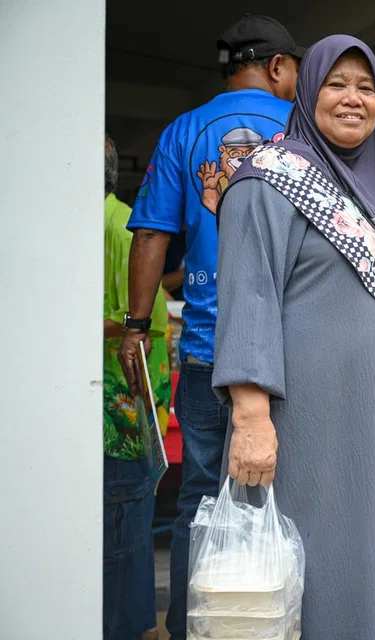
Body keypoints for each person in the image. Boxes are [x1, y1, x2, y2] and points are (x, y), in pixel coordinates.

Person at [211, 35, 375, 637]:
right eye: (337, 84)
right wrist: (252, 417)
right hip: (315, 424)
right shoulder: (267, 180)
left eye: (367, 88)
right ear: (307, 91)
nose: (353, 99)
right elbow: (248, 299)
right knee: (328, 561)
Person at [117, 15, 302, 638]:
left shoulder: (183, 130)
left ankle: (195, 626)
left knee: (199, 501)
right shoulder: (302, 130)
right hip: (284, 352)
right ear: (279, 67)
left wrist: (137, 326)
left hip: (205, 351)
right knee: (286, 499)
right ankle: (278, 621)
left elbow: (151, 233)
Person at [102, 134, 171, 639]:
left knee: (121, 540)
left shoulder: (125, 231)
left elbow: (152, 332)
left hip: (119, 414)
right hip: (103, 410)